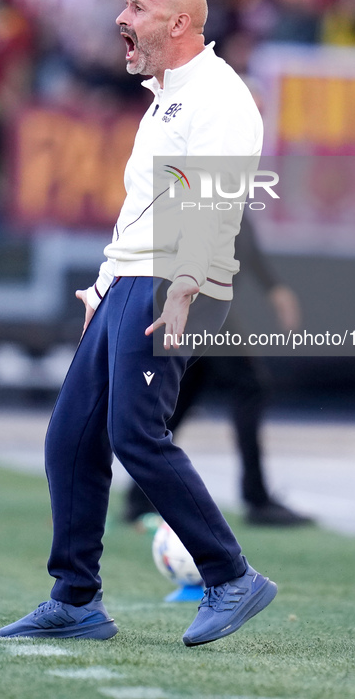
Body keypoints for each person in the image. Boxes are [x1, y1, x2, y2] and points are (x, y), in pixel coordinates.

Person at [0, 0, 277, 647]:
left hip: (173, 282)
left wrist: (188, 280)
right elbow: (141, 211)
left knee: (133, 434)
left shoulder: (218, 96)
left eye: (136, 7)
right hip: (131, 280)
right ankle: (75, 599)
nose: (119, 17)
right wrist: (101, 285)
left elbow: (222, 198)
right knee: (71, 436)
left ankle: (231, 576)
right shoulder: (164, 100)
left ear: (178, 24)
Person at [123, 218, 314, 528]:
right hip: (203, 305)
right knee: (252, 386)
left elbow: (243, 240)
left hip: (201, 308)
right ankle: (257, 499)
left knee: (180, 401)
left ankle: (139, 496)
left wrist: (274, 287)